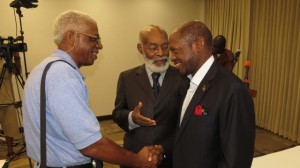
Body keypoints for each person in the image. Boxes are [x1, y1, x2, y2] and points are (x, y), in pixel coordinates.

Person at [22, 10, 162, 168]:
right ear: (71, 37)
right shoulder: (63, 76)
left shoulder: (45, 68)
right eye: (94, 38)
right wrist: (137, 160)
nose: (100, 45)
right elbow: (92, 145)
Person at [169, 21, 255, 168]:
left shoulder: (233, 90)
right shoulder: (185, 82)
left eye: (175, 50)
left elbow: (236, 161)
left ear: (199, 45)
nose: (172, 57)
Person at [112, 25, 187, 168]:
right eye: (153, 48)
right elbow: (117, 113)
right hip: (135, 155)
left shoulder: (182, 77)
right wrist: (131, 118)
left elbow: (187, 122)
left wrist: (163, 148)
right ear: (140, 48)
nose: (161, 53)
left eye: (165, 47)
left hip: (171, 156)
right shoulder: (127, 77)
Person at [0, 59, 21, 161]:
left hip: (7, 98)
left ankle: (10, 150)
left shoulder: (5, 58)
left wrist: (16, 57)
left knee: (10, 125)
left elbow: (17, 72)